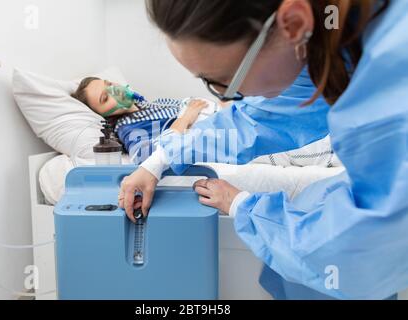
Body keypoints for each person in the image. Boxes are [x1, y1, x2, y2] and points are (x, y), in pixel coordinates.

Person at [118, 0, 408, 299]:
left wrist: (245, 208)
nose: (226, 96)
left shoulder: (394, 67)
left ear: (293, 23)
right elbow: (255, 121)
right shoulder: (329, 38)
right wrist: (158, 160)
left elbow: (364, 246)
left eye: (223, 82)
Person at [71, 77, 209, 163]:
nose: (115, 91)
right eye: (105, 98)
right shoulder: (129, 128)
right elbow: (144, 158)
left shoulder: (156, 103)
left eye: (109, 84)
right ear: (104, 115)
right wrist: (185, 119)